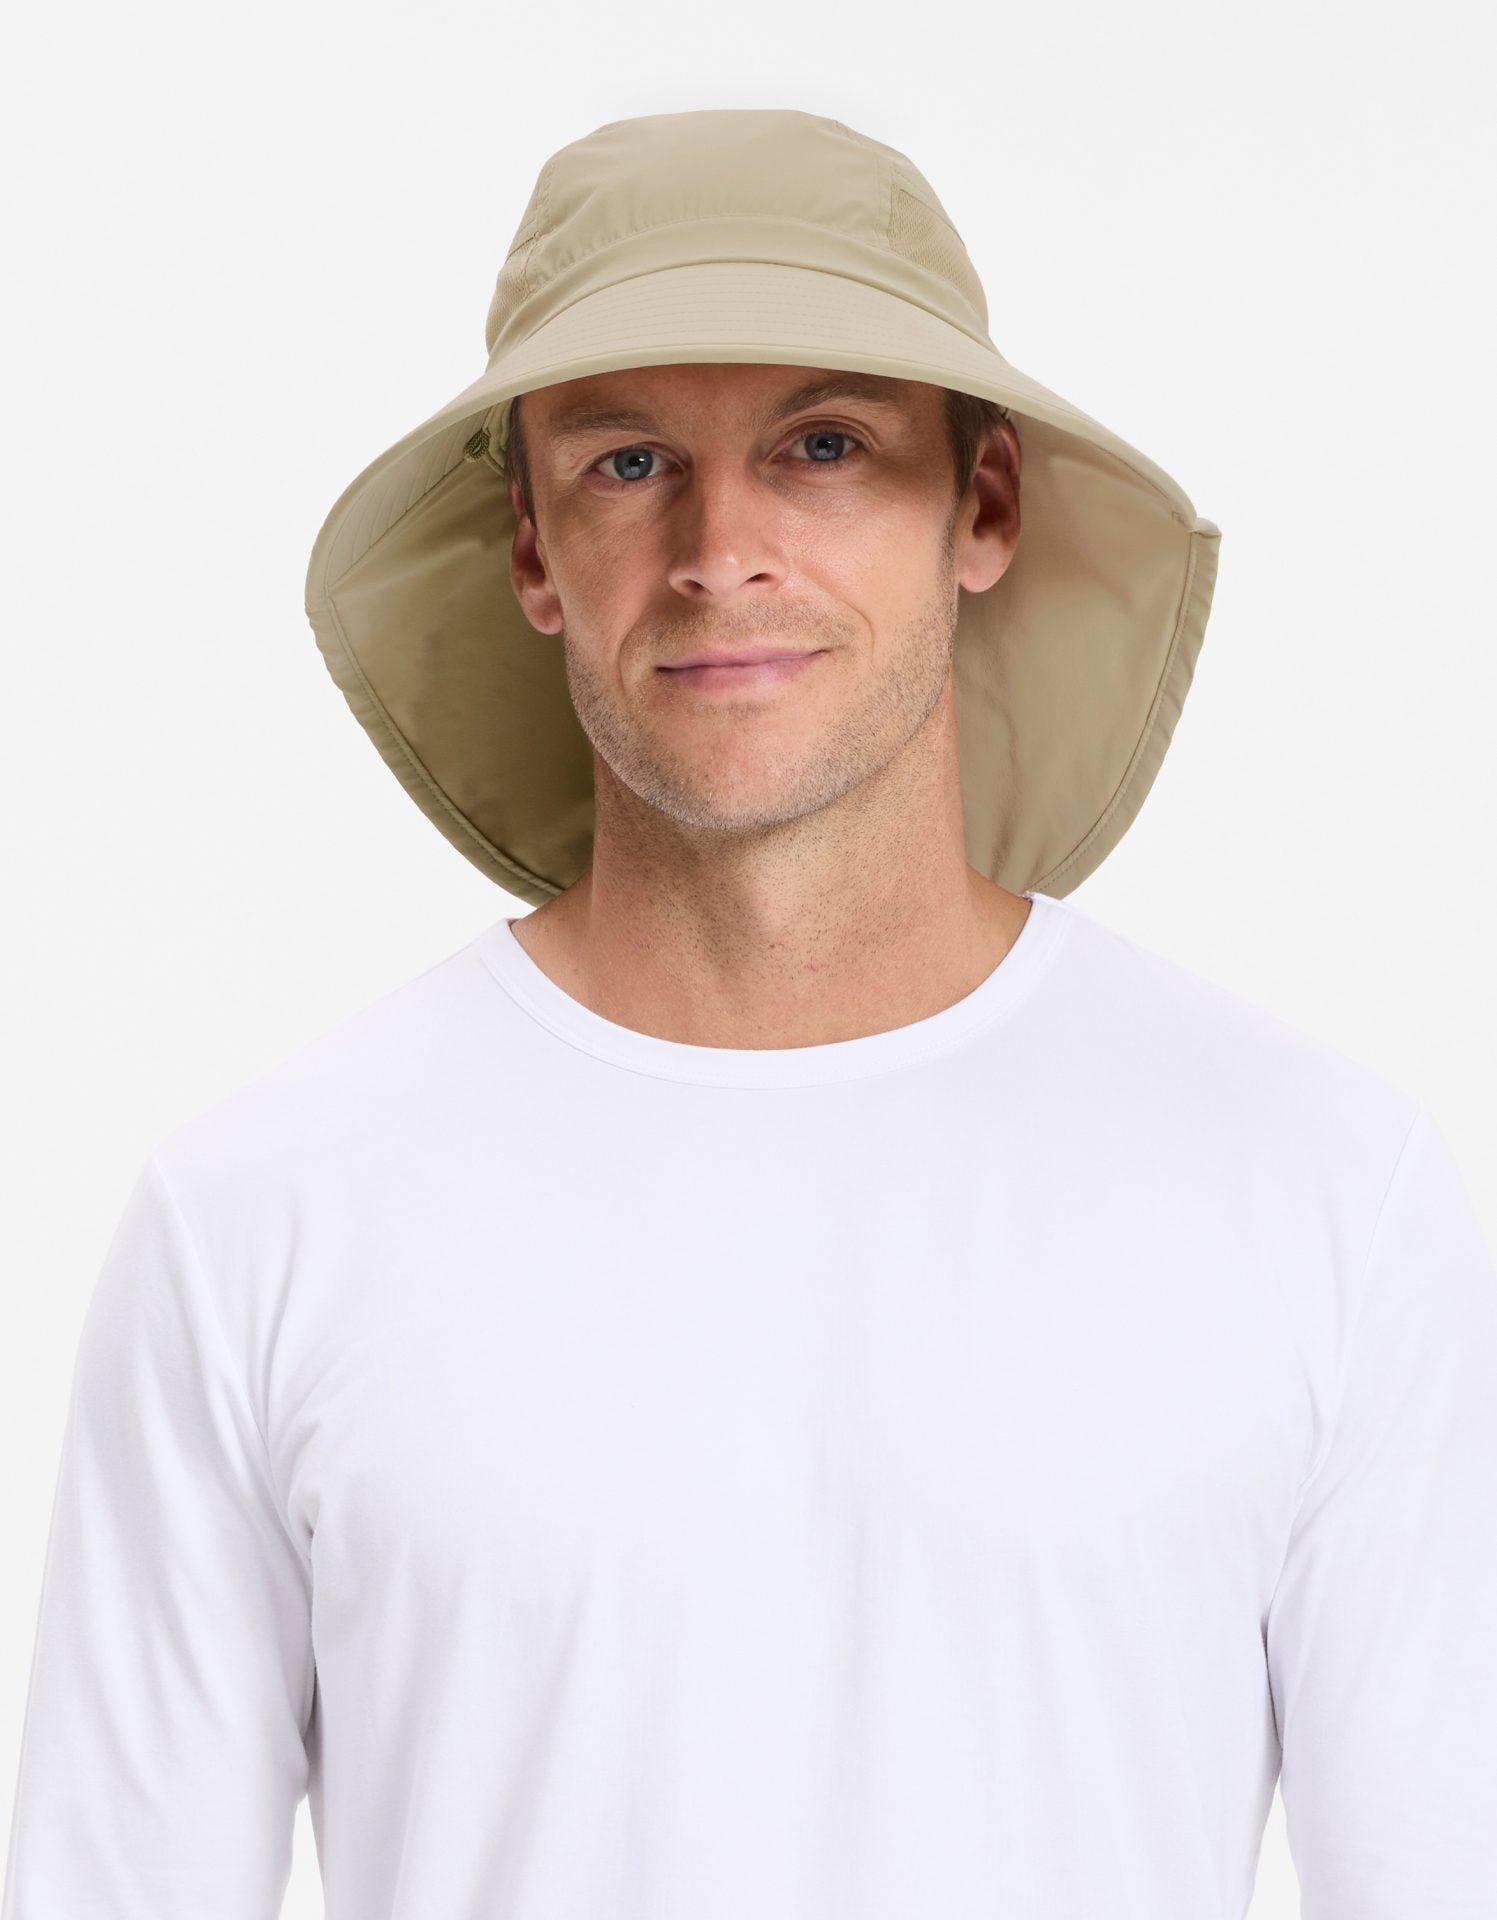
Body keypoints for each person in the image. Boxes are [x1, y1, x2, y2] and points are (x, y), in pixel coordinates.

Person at [3, 108, 1494, 1920]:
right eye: (628, 461)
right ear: (531, 549)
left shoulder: (1315, 1191)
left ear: (983, 507)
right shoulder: (260, 1218)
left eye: (823, 445)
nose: (721, 550)